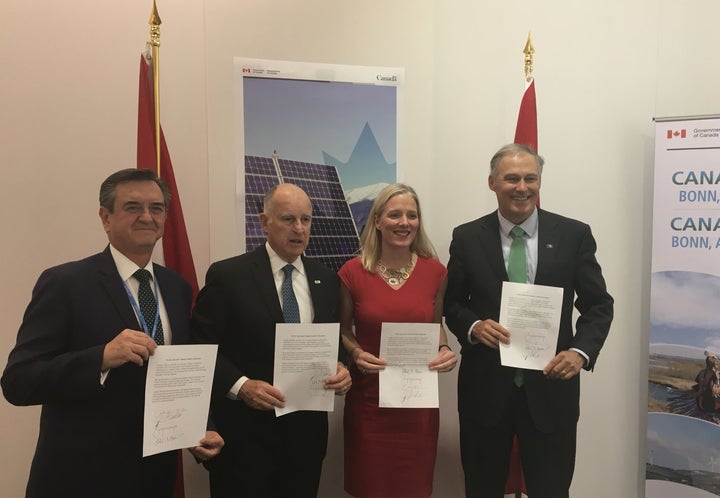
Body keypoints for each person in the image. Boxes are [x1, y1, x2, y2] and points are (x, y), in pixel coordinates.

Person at [1, 168, 223, 498]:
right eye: (133, 207)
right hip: (80, 478)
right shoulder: (65, 283)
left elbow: (176, 372)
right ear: (106, 218)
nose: (147, 216)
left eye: (156, 208)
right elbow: (18, 382)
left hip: (154, 476)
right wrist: (100, 358)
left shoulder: (177, 287)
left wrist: (201, 427)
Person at [444, 144, 614, 498]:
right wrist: (474, 327)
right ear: (492, 182)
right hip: (485, 393)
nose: (522, 187)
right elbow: (453, 303)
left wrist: (579, 352)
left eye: (530, 178)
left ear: (539, 182)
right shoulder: (467, 237)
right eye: (511, 178)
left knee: (551, 491)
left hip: (552, 391)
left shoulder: (574, 234)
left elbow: (598, 304)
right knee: (481, 489)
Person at [191, 182, 352, 498]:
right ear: (265, 222)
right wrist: (242, 386)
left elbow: (332, 341)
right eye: (288, 219)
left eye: (306, 220)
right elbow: (199, 346)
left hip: (305, 440)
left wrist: (341, 366)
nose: (299, 229)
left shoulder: (326, 279)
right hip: (245, 438)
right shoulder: (229, 276)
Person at [339, 183, 458, 498]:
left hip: (416, 411)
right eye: (394, 215)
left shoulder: (436, 273)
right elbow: (341, 329)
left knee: (413, 489)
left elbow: (436, 326)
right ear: (377, 221)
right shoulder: (352, 272)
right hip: (369, 407)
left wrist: (445, 349)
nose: (404, 222)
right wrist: (355, 352)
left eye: (411, 215)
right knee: (370, 487)